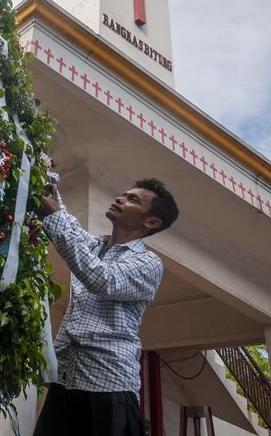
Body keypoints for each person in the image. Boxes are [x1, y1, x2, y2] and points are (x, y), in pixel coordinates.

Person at [33, 178, 179, 436]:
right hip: (66, 381)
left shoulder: (148, 262)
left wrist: (55, 217)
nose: (121, 198)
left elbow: (102, 279)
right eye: (123, 194)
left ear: (152, 222)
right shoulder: (94, 245)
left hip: (109, 390)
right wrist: (43, 177)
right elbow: (64, 218)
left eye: (133, 199)